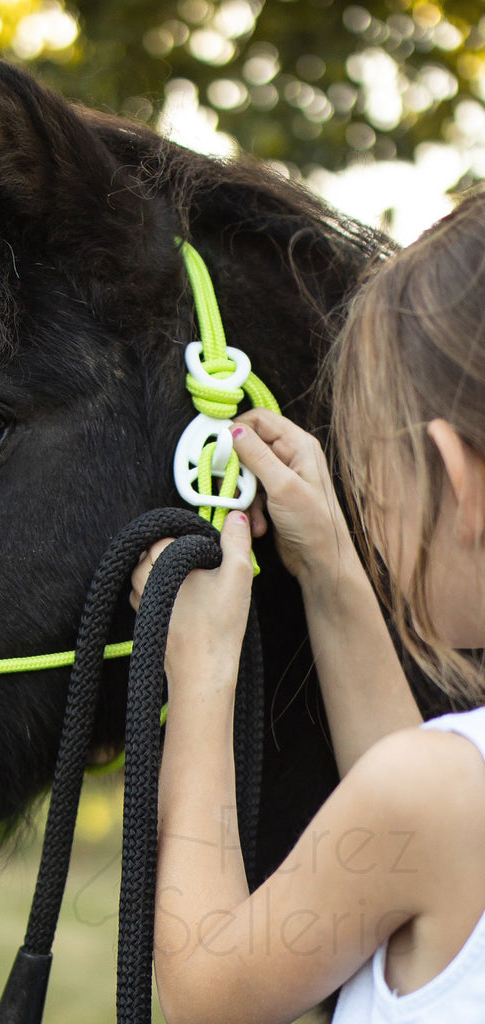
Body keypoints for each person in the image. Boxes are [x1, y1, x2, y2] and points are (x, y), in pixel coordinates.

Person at [132, 192, 485, 1024]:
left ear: (453, 476)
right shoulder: (446, 790)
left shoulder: (438, 792)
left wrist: (201, 674)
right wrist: (327, 564)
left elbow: (204, 996)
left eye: (373, 475)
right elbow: (414, 808)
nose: (369, 509)